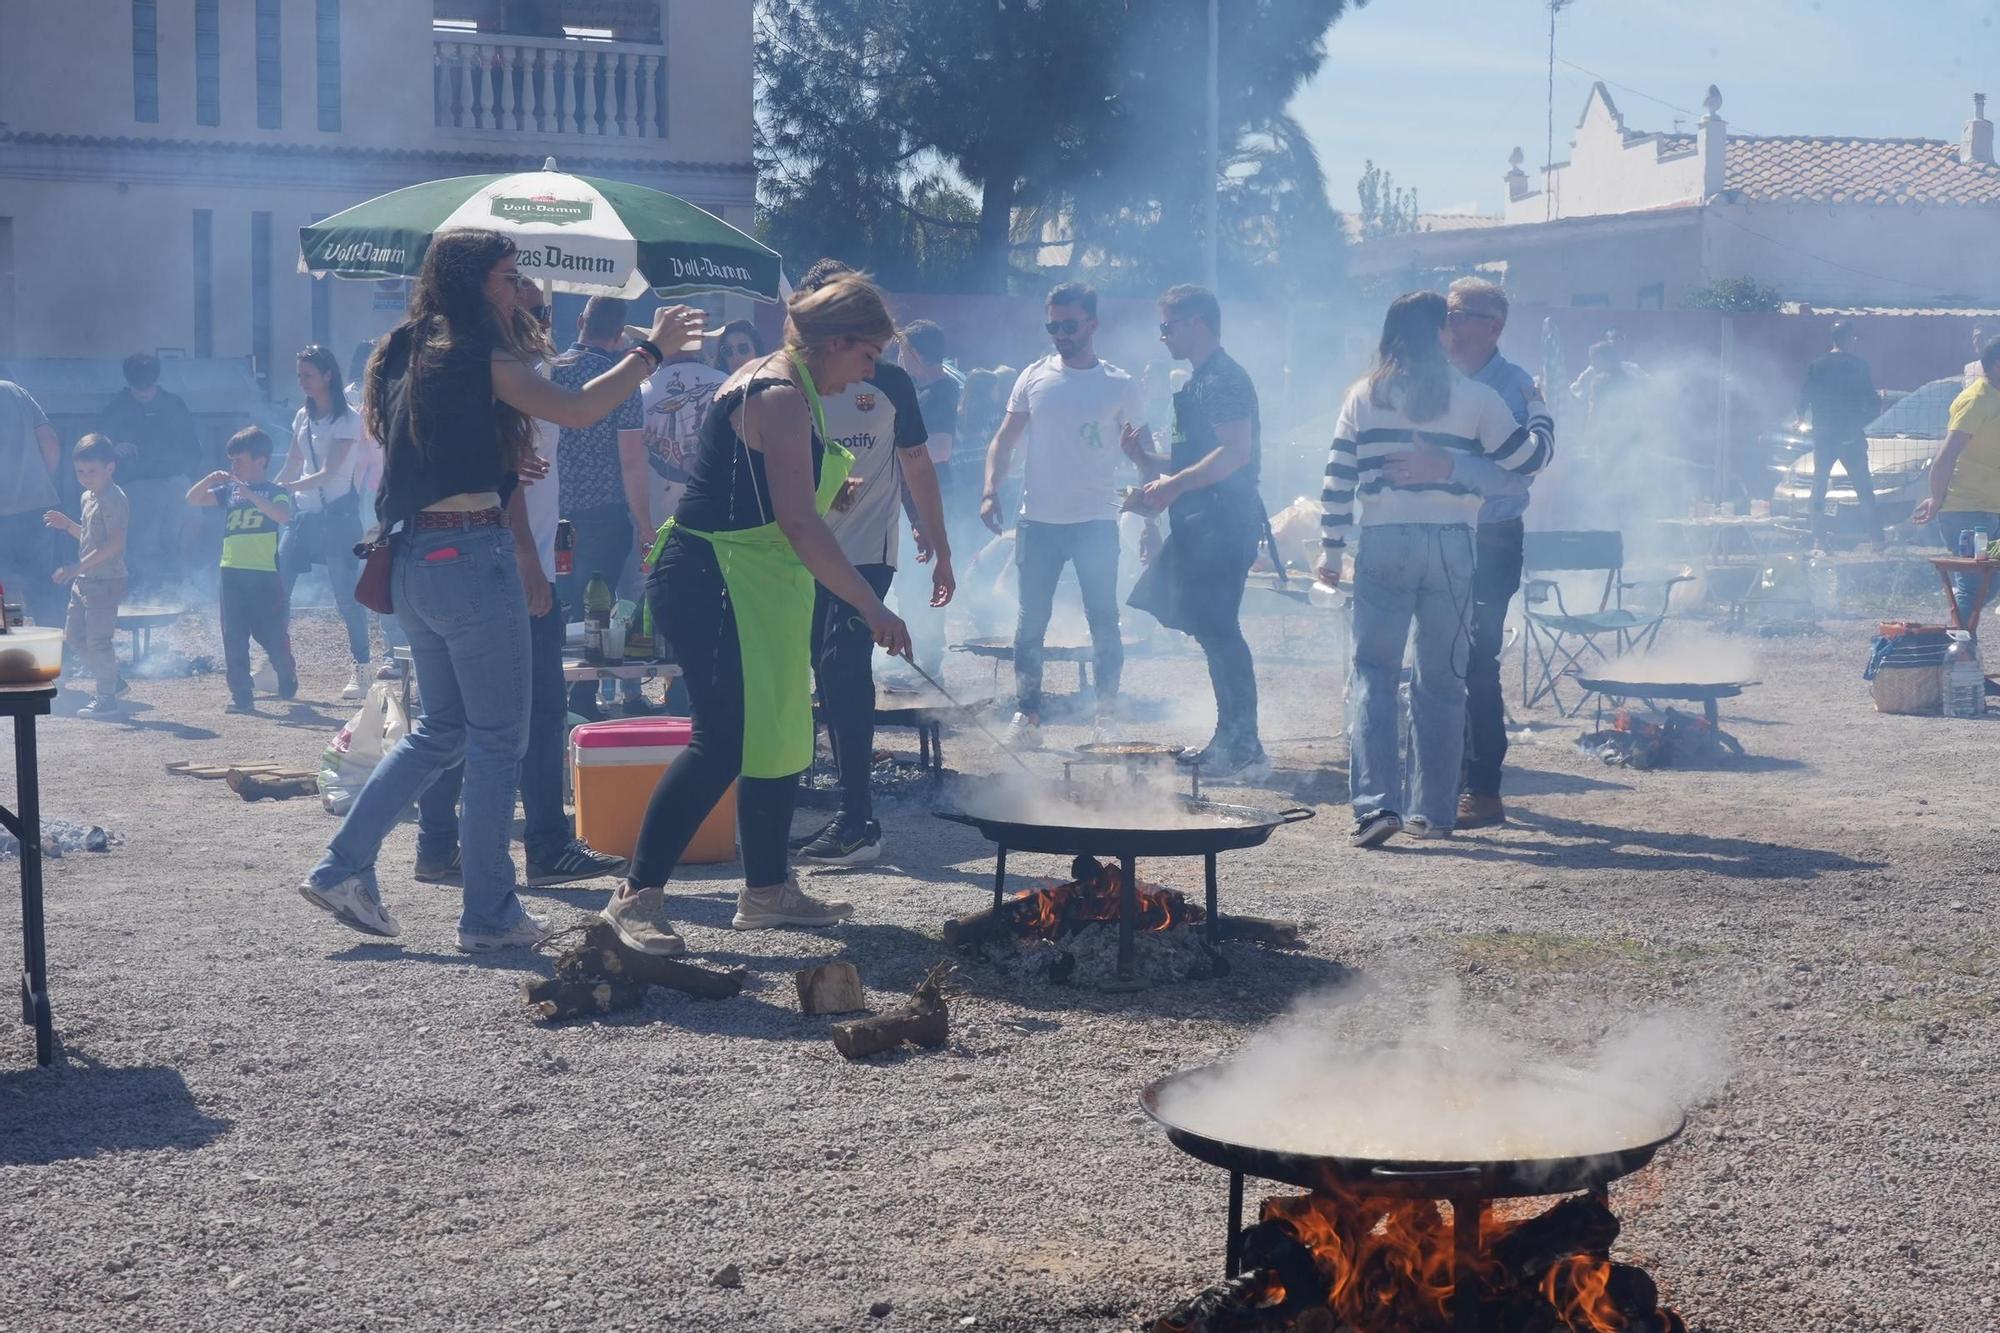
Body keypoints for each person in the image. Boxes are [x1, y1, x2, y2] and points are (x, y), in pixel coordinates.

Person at [297, 227, 703, 953]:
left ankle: (341, 864)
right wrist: (651, 353)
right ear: (472, 281)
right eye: (508, 275)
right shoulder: (476, 352)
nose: (518, 288)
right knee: (495, 741)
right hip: (471, 556)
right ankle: (487, 911)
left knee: (441, 731)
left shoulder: (401, 350)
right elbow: (576, 410)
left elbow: (429, 446)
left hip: (413, 556)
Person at [598, 275, 915, 955]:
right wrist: (871, 606)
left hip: (762, 583)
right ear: (837, 343)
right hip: (712, 579)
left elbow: (780, 502)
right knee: (725, 738)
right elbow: (798, 522)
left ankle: (768, 890)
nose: (871, 370)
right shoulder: (775, 394)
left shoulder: (800, 388)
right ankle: (634, 897)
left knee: (778, 727)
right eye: (868, 355)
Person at [1317, 291, 1554, 848]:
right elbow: (1531, 460)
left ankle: (1376, 806)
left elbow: (1337, 477)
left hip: (1382, 540)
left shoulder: (1363, 395)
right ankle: (1433, 812)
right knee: (1442, 680)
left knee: (1374, 674)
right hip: (1453, 544)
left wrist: (1330, 550)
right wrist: (1539, 407)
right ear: (1441, 336)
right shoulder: (1475, 397)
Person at [413, 294, 628, 890]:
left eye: (545, 309)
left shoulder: (519, 379)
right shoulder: (507, 384)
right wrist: (532, 564)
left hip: (500, 564)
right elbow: (505, 487)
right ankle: (544, 844)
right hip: (508, 569)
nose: (541, 319)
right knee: (532, 710)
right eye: (527, 306)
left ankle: (439, 844)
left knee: (458, 717)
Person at [791, 259, 953, 868]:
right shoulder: (788, 381)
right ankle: (799, 797)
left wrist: (940, 548)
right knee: (809, 669)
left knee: (841, 665)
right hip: (798, 551)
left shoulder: (889, 383)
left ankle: (858, 816)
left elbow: (916, 463)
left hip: (866, 551)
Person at [1376, 279, 1548, 829]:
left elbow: (1523, 470)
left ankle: (1484, 790)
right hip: (1427, 535)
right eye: (1444, 313)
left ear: (1492, 327)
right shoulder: (1426, 381)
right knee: (1428, 661)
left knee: (1475, 661)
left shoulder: (1517, 386)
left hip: (1490, 539)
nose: (1445, 324)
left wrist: (1450, 470)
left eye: (1457, 314)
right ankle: (1433, 786)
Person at [982, 283, 1148, 747]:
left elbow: (1147, 456)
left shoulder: (1120, 384)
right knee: (1030, 620)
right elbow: (1004, 439)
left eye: (1069, 325)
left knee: (1103, 619)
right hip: (1037, 520)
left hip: (1096, 520)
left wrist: (1147, 493)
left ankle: (1106, 717)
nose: (1060, 334)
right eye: (1052, 325)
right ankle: (1027, 714)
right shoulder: (1033, 376)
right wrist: (990, 489)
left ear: (1092, 325)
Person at [1125, 284, 1270, 780]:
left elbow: (1235, 453)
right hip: (1200, 518)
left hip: (1224, 520)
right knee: (1210, 628)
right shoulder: (1199, 380)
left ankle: (1243, 744)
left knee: (1219, 628)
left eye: (1169, 326)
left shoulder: (1224, 378)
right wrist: (1147, 463)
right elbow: (1193, 460)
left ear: (1198, 323)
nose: (1163, 336)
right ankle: (1230, 738)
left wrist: (1173, 484)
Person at [553, 296, 654, 719]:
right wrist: (646, 524)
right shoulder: (620, 382)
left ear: (580, 321)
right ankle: (582, 701)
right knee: (595, 609)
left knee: (560, 607)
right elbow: (632, 461)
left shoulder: (547, 371)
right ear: (619, 335)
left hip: (552, 512)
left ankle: (556, 697)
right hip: (605, 511)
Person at [276, 345, 374, 700]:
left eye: (308, 375)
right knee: (278, 589)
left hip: (337, 518)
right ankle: (277, 662)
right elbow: (292, 460)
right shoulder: (302, 417)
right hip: (303, 517)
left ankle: (362, 669)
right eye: (300, 375)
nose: (301, 381)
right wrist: (269, 491)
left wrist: (289, 486)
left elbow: (329, 471)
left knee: (346, 599)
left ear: (327, 375)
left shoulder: (348, 419)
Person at [186, 427, 297, 713]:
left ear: (261, 460)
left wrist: (251, 495)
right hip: (231, 572)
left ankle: (285, 671)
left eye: (240, 460)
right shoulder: (229, 492)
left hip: (264, 574)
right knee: (233, 636)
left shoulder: (276, 491)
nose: (234, 466)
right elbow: (193, 499)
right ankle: (241, 695)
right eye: (231, 461)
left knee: (271, 632)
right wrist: (209, 480)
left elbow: (282, 516)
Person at [1913, 336, 2000, 629]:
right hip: (1967, 512)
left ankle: (1958, 645)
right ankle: (1958, 655)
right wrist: (1937, 497)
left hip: (1992, 509)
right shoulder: (1977, 400)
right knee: (1975, 588)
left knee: (1988, 584)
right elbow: (1946, 455)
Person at [43, 435, 130, 717]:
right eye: (80, 472)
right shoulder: (87, 497)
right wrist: (68, 525)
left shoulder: (114, 499)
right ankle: (113, 681)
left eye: (92, 471)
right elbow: (91, 538)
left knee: (98, 641)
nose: (85, 477)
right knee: (75, 637)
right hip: (85, 580)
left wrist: (74, 568)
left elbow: (115, 545)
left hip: (105, 581)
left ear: (110, 467)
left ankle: (107, 698)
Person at [101, 353, 200, 595]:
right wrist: (114, 448)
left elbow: (193, 449)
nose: (143, 392)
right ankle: (144, 588)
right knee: (143, 538)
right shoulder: (116, 407)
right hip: (135, 482)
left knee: (193, 517)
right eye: (138, 387)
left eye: (147, 386)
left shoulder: (174, 405)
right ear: (129, 381)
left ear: (156, 379)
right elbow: (99, 447)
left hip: (173, 478)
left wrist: (179, 468)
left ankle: (183, 580)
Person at [894, 318, 960, 678]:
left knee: (926, 578)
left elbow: (941, 448)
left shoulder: (941, 391)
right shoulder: (922, 390)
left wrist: (896, 456)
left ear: (916, 353)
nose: (898, 357)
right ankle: (916, 660)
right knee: (910, 581)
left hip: (931, 496)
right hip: (912, 497)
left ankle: (928, 663)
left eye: (902, 350)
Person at [1800, 322, 1883, 549]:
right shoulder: (1858, 365)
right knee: (1863, 488)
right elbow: (1871, 399)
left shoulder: (1817, 365)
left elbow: (1804, 398)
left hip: (1824, 436)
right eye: (1854, 338)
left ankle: (1818, 538)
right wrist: (1865, 419)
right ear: (1848, 338)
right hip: (1850, 436)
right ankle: (1876, 539)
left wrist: (1806, 420)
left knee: (1819, 485)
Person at [639, 337, 727, 538]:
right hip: (719, 520)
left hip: (658, 520)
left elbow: (629, 460)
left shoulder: (641, 392)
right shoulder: (727, 383)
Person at [0, 378, 64, 628]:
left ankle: (9, 648)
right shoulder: (14, 391)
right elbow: (48, 439)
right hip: (36, 507)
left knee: (4, 586)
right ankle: (56, 653)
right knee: (40, 584)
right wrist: (43, 480)